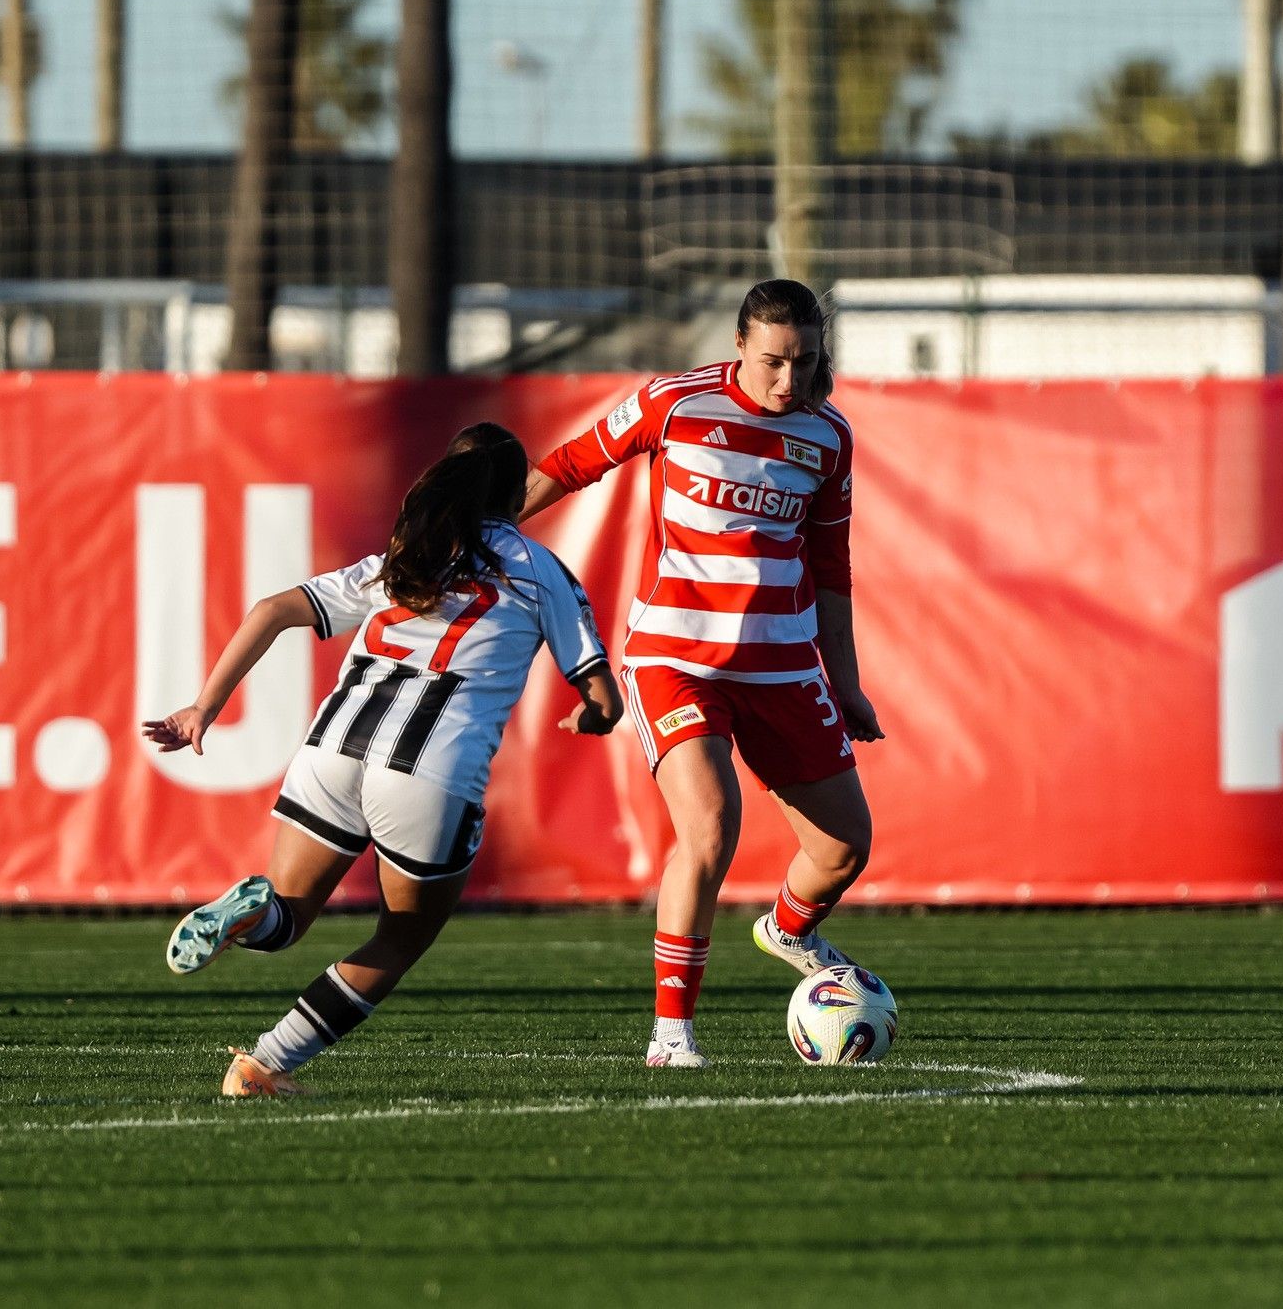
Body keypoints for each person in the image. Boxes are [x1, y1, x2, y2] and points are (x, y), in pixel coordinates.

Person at [144, 422, 621, 1097]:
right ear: (518, 494)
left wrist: (203, 706)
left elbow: (271, 608)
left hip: (333, 748)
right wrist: (592, 717)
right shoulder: (542, 570)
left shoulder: (406, 558)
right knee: (399, 939)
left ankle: (251, 914)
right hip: (431, 772)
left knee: (287, 918)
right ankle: (263, 1064)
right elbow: (603, 694)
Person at [523, 278, 884, 1069]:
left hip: (783, 665)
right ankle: (671, 1035)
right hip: (676, 658)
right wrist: (480, 532)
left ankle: (789, 929)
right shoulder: (673, 403)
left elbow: (831, 568)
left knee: (843, 848)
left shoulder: (828, 438)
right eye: (774, 363)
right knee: (711, 828)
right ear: (739, 349)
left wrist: (845, 680)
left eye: (807, 363)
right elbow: (572, 462)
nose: (790, 381)